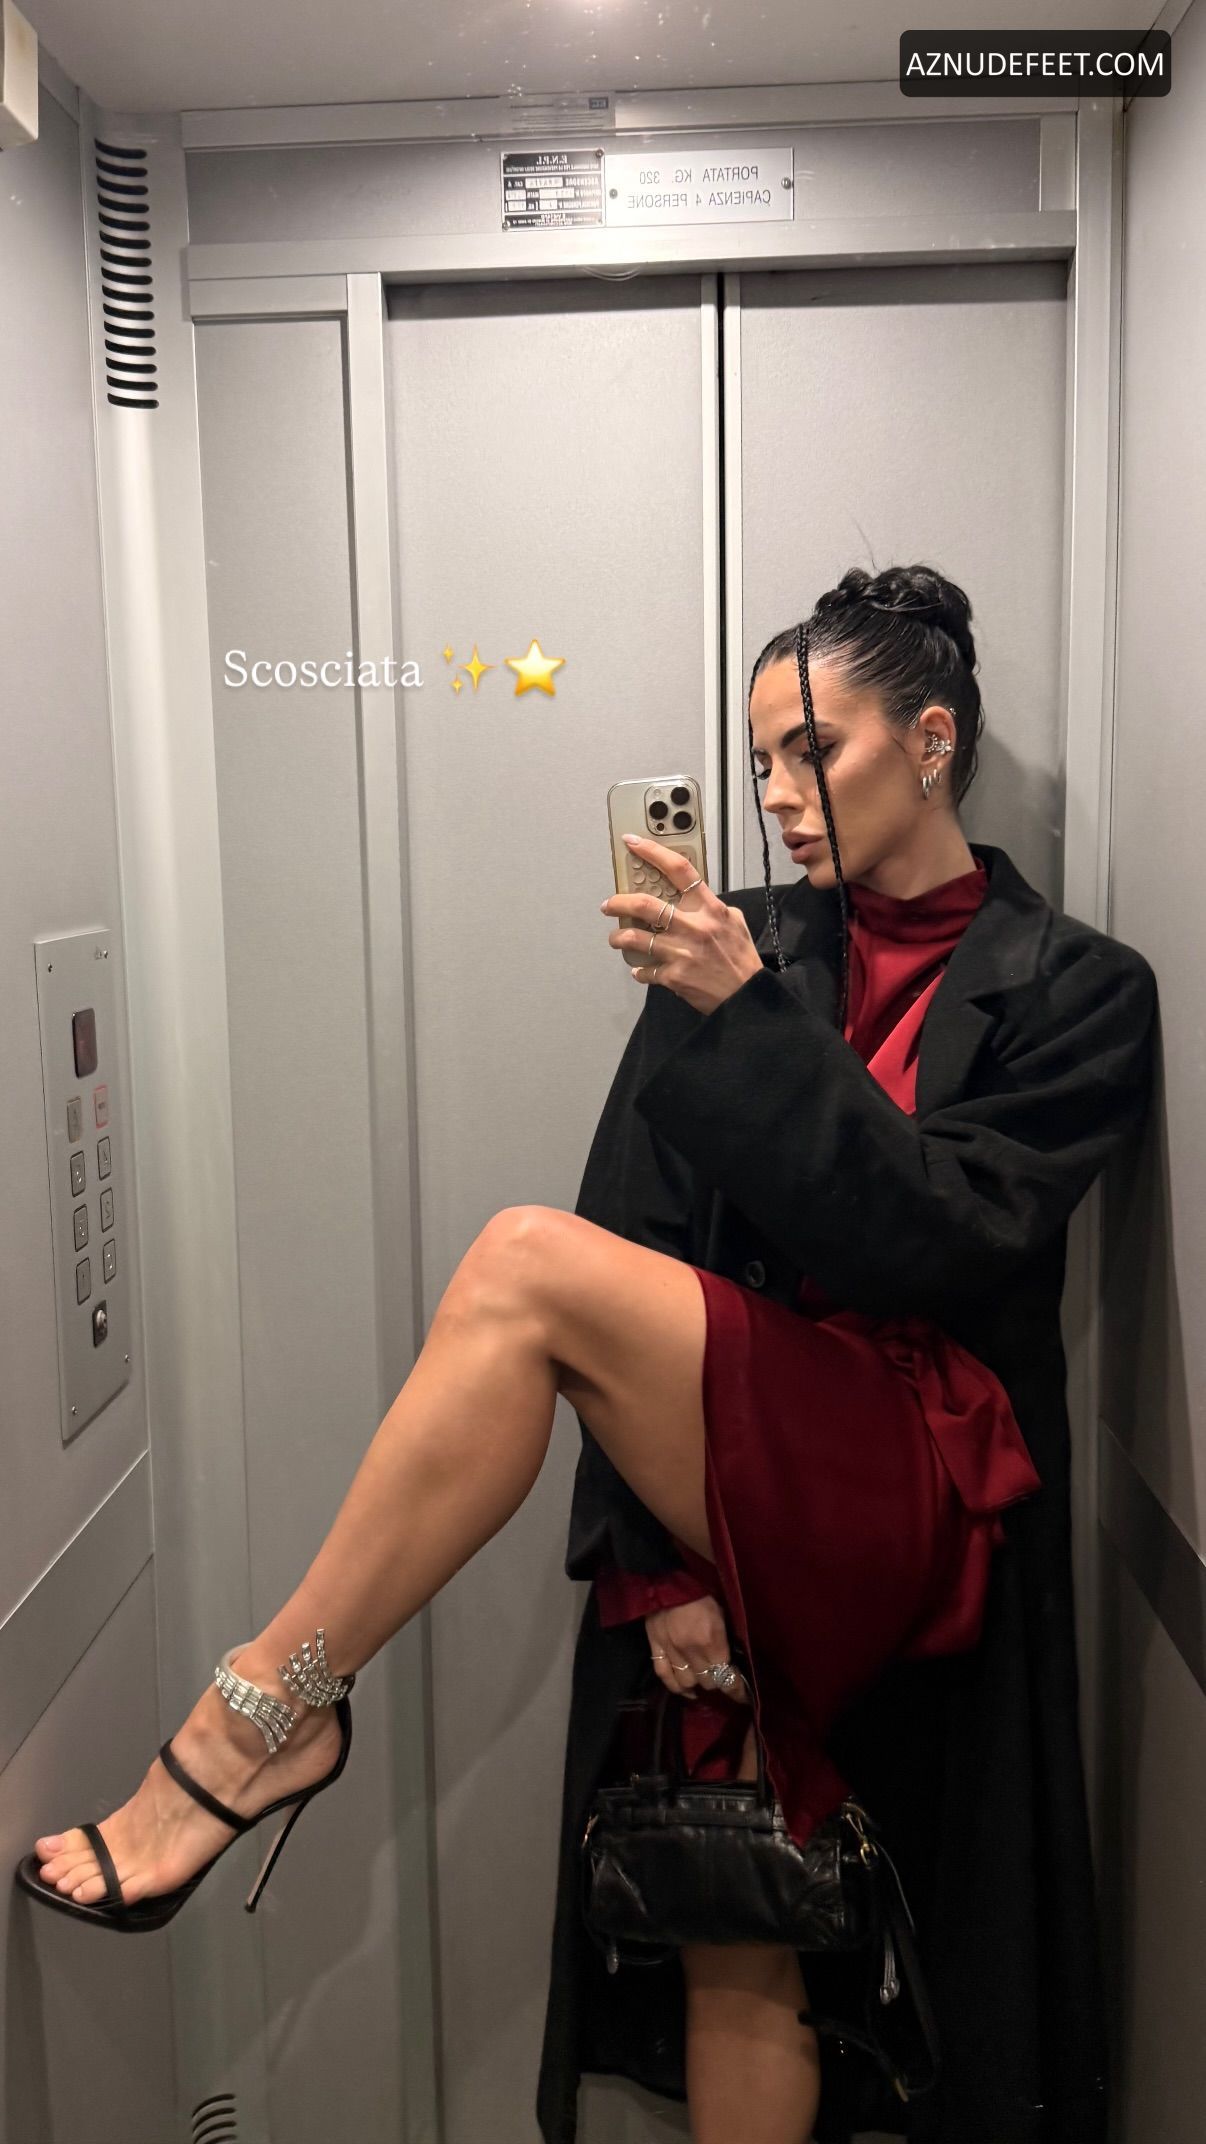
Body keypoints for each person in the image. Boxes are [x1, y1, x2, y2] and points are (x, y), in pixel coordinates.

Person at [15, 566, 1158, 2144]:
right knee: (732, 1914)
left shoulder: (1078, 988)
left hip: (918, 1491)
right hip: (720, 1469)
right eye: (757, 760)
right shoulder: (740, 940)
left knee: (518, 1266)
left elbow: (947, 1244)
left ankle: (257, 1724)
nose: (774, 796)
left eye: (810, 750)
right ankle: (274, 1720)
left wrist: (749, 1018)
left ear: (930, 743)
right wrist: (654, 1562)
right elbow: (638, 1226)